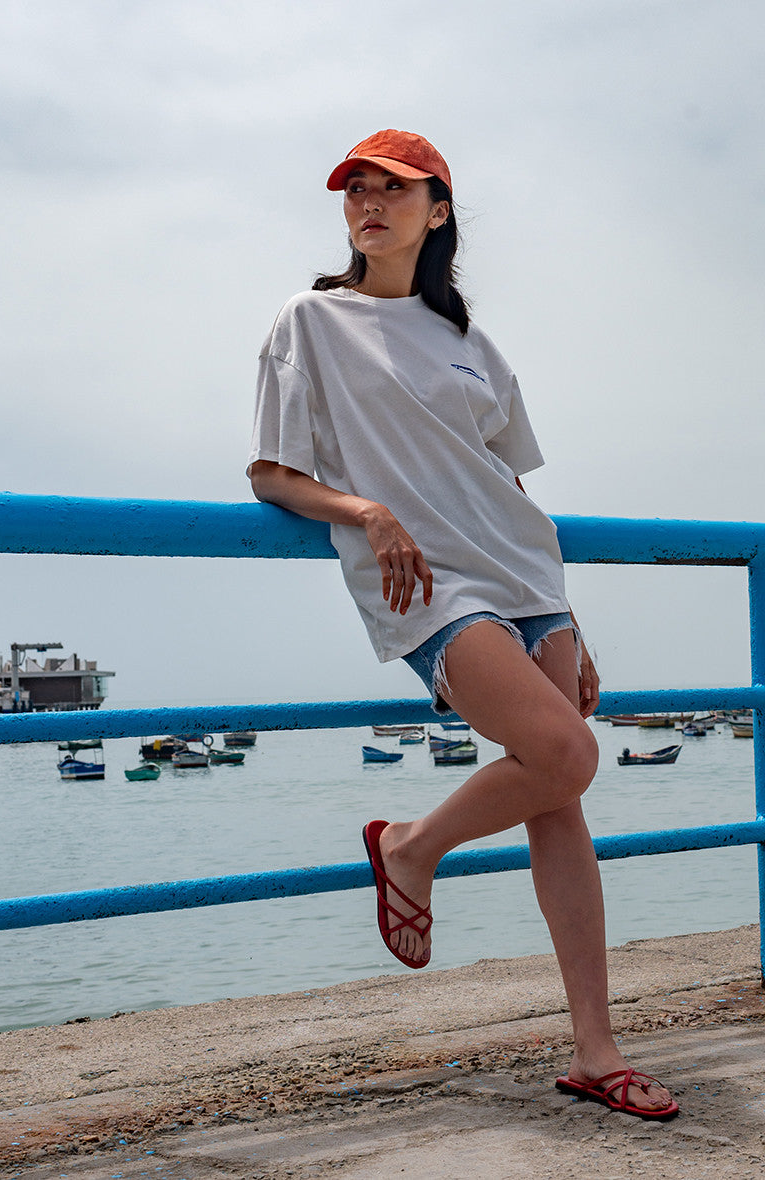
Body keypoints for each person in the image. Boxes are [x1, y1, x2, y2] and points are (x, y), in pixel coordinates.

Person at [247, 129, 678, 1121]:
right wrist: (365, 511)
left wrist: (572, 617)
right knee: (566, 755)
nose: (368, 203)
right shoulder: (312, 319)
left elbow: (510, 484)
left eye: (393, 189)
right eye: (355, 189)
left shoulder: (472, 343)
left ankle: (596, 1050)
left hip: (529, 579)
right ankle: (410, 845)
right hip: (435, 586)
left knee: (558, 794)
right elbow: (271, 471)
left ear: (436, 211)